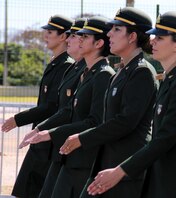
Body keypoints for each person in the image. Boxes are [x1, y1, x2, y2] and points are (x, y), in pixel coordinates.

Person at [84, 11, 176, 198]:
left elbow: (165, 139)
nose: (152, 41)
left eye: (160, 38)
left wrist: (120, 171)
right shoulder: (171, 79)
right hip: (166, 182)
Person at [57, 7, 158, 198]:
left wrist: (82, 138)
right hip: (108, 161)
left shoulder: (142, 72)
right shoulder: (123, 70)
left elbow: (126, 121)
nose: (110, 33)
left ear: (132, 37)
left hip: (125, 166)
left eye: (117, 29)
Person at [28, 16, 115, 198]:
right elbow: (69, 110)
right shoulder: (88, 72)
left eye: (84, 37)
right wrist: (42, 128)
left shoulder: (103, 75)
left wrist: (51, 132)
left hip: (84, 158)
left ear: (99, 43)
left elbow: (95, 120)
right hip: (70, 155)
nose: (75, 40)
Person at [1, 14, 73, 198]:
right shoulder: (56, 63)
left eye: (50, 32)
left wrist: (18, 119)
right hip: (40, 140)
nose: (45, 36)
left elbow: (51, 106)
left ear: (63, 36)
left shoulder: (66, 66)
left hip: (49, 141)